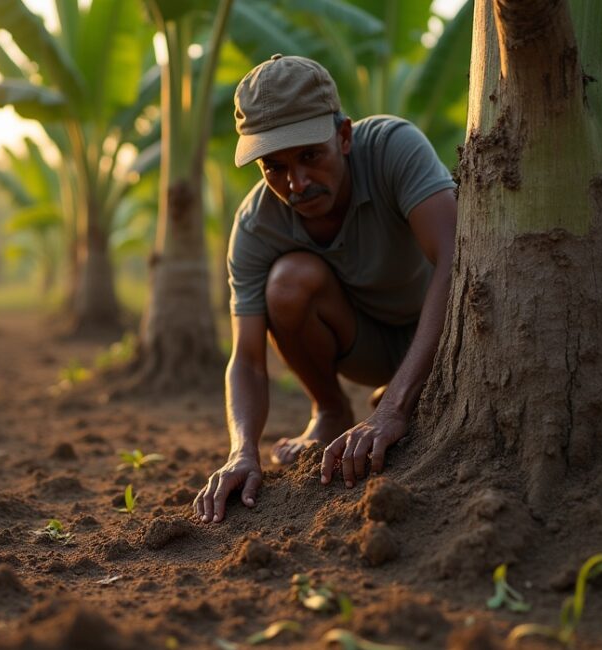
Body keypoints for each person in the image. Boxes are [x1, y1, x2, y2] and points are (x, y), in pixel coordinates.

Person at [194, 54, 457, 524]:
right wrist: (242, 451)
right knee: (287, 284)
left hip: (444, 332)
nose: (296, 182)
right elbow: (248, 359)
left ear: (344, 136)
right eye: (273, 167)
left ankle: (406, 393)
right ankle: (331, 410)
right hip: (363, 346)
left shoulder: (395, 147)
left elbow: (456, 260)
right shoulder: (256, 226)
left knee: (402, 398)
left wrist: (393, 408)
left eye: (310, 156)